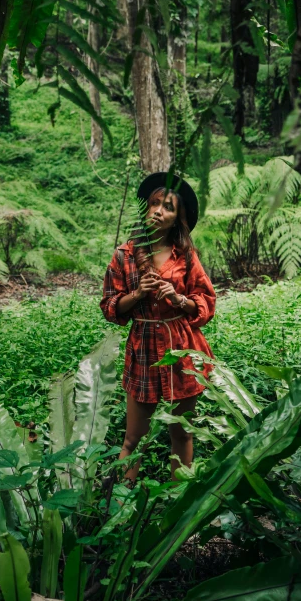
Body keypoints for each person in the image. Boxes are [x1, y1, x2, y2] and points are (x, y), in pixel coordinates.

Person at [100, 172, 216, 482]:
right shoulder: (124, 256)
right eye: (153, 204)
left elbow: (205, 303)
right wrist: (137, 295)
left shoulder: (186, 257)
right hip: (144, 348)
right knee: (132, 439)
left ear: (178, 217)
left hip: (182, 347)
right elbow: (110, 306)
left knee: (181, 434)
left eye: (168, 207)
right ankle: (121, 509)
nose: (158, 211)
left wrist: (178, 299)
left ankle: (180, 506)